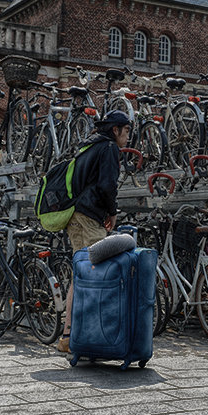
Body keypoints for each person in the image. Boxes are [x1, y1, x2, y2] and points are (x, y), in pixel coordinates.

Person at [56, 110, 131, 354]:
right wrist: (112, 211)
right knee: (101, 274)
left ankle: (68, 335)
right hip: (89, 217)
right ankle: (97, 335)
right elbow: (107, 185)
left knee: (81, 274)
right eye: (126, 130)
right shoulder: (109, 148)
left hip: (74, 216)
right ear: (115, 130)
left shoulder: (87, 146)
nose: (128, 135)